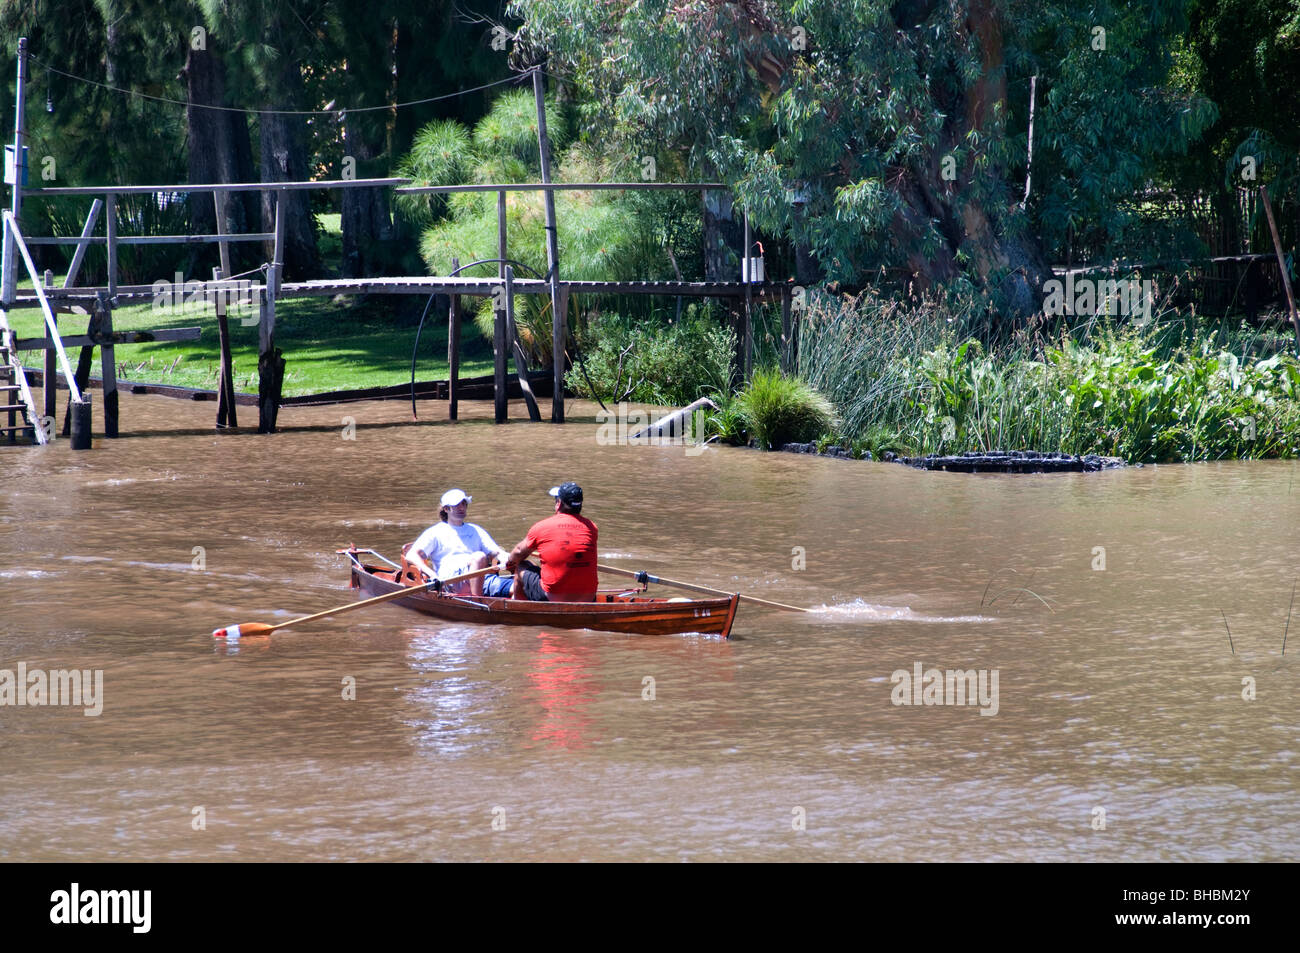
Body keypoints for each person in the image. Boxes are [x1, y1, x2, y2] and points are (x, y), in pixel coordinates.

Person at [407, 488, 514, 597]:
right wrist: (432, 575)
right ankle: (478, 602)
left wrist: (513, 558)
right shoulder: (435, 532)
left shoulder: (475, 530)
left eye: (463, 504)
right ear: (446, 509)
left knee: (520, 585)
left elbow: (496, 552)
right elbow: (411, 555)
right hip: (450, 581)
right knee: (479, 557)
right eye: (457, 505)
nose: (461, 507)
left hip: (480, 578)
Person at [506, 482, 599, 602]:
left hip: (551, 598)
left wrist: (510, 563)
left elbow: (518, 552)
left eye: (556, 499)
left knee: (522, 566)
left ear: (559, 504)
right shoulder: (592, 528)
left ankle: (518, 607)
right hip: (589, 599)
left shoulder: (542, 526)